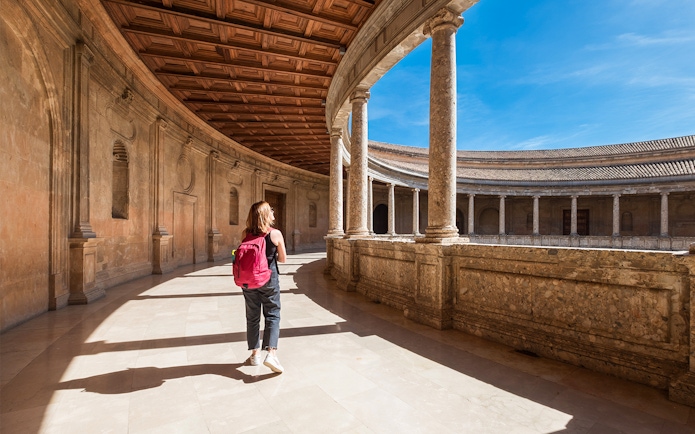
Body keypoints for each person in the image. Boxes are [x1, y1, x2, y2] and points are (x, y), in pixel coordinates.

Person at [240, 201, 287, 373]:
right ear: (266, 214)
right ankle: (272, 354)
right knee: (273, 313)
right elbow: (283, 259)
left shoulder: (245, 233)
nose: (274, 213)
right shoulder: (275, 234)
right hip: (269, 279)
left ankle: (255, 355)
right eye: (271, 211)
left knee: (252, 316)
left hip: (249, 280)